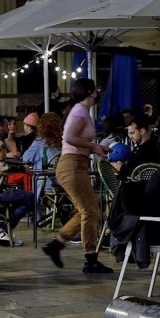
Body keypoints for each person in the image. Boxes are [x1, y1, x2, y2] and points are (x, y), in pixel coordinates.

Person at [43, 78, 113, 273]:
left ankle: (57, 244)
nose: (99, 92)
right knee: (90, 212)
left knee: (88, 209)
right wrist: (93, 146)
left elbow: (76, 141)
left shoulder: (81, 111)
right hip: (72, 166)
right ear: (91, 92)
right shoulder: (80, 111)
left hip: (76, 164)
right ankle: (90, 259)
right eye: (97, 89)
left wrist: (95, 148)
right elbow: (69, 138)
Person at [0, 115, 34, 247]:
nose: (9, 129)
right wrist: (21, 169)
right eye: (7, 126)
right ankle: (2, 228)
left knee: (15, 197)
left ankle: (0, 227)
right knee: (30, 198)